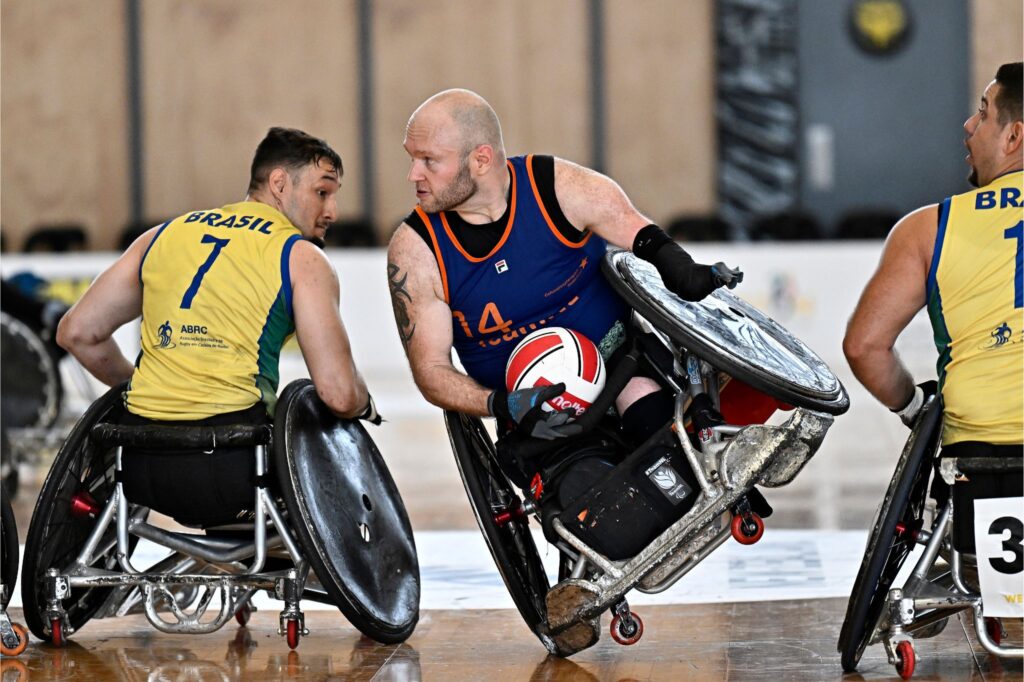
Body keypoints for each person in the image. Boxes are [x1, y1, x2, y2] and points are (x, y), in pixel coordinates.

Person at [57, 127, 378, 526]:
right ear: (279, 183)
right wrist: (365, 404)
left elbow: (77, 333)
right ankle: (251, 556)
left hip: (139, 465)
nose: (332, 211)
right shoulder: (301, 258)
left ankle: (217, 554)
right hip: (233, 470)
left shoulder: (163, 235)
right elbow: (338, 393)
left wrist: (141, 387)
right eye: (322, 192)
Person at [386, 88, 742, 448]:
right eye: (412, 158)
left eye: (429, 160)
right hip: (529, 406)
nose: (413, 175)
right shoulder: (415, 249)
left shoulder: (554, 186)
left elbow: (640, 233)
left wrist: (684, 272)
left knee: (673, 450)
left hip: (622, 364)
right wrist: (500, 404)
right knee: (589, 488)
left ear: (480, 160)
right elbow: (431, 370)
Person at [843, 62, 1023, 551]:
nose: (969, 126)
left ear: (1013, 137)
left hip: (982, 451)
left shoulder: (929, 228)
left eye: (983, 114)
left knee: (987, 604)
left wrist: (915, 407)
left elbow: (865, 347)